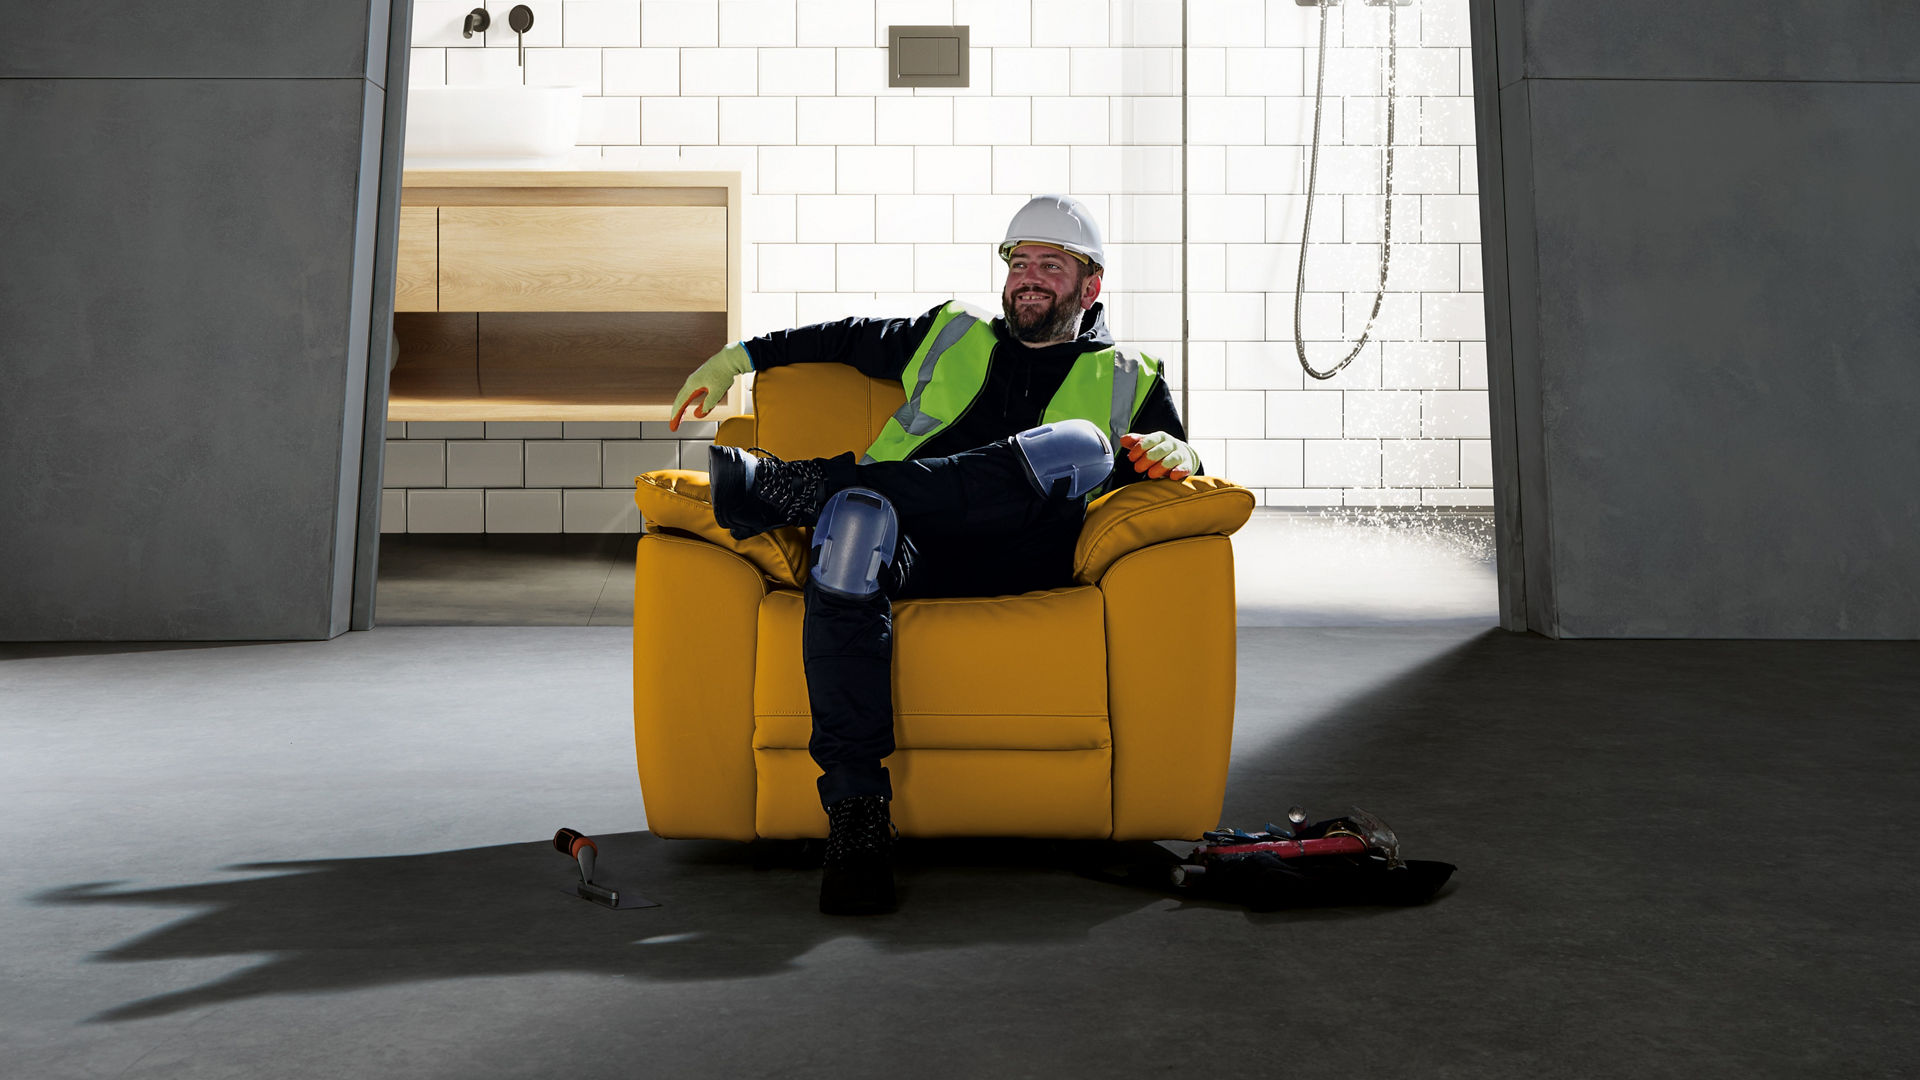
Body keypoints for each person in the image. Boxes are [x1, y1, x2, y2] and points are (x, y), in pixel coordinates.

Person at [668, 195, 1203, 916]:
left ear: (1091, 286)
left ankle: (801, 486)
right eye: (1019, 263)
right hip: (913, 548)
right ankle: (857, 821)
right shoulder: (952, 331)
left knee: (1081, 442)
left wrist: (1183, 448)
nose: (1030, 278)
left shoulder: (1129, 373)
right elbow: (845, 337)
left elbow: (1177, 467)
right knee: (854, 523)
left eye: (1052, 264)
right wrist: (740, 355)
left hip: (1023, 553)